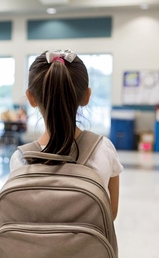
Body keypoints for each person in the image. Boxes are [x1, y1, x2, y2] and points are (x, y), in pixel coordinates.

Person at [9, 49, 123, 221]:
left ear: (30, 98)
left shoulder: (20, 160)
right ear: (87, 96)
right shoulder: (103, 149)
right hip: (88, 248)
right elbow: (110, 215)